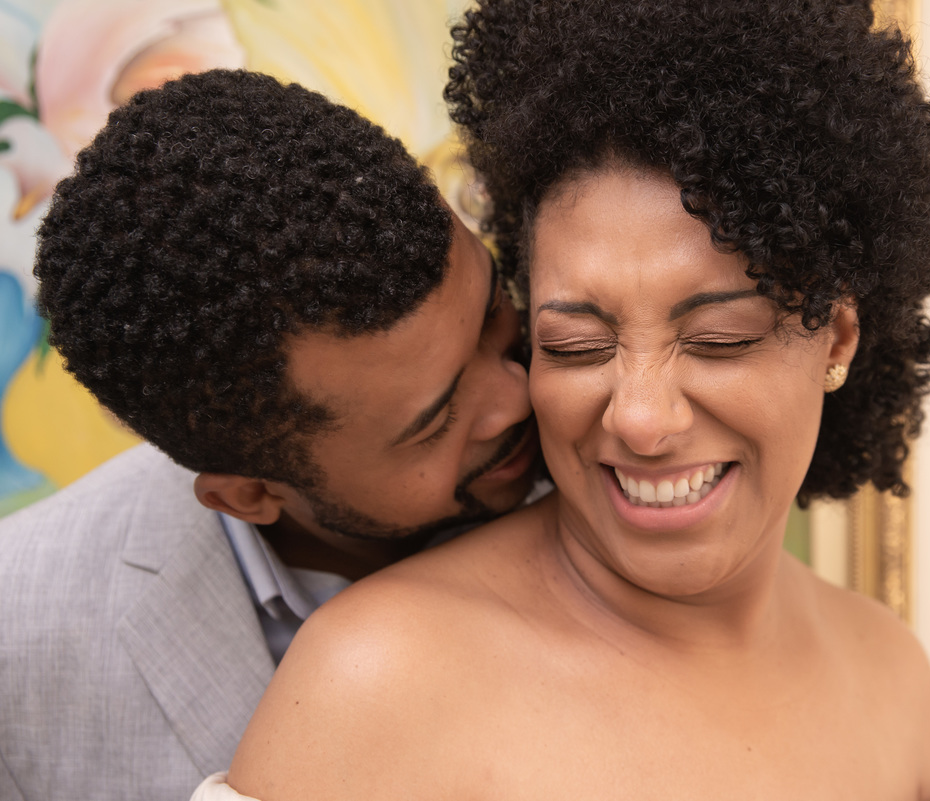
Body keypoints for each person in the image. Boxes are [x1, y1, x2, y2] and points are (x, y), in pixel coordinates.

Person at [210, 1, 930, 798]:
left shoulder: (891, 674)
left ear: (838, 339)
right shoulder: (380, 678)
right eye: (576, 347)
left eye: (719, 338)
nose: (640, 420)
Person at [0, 69, 539, 801]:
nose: (519, 396)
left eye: (490, 314)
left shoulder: (635, 463)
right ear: (248, 494)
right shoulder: (19, 640)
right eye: (436, 420)